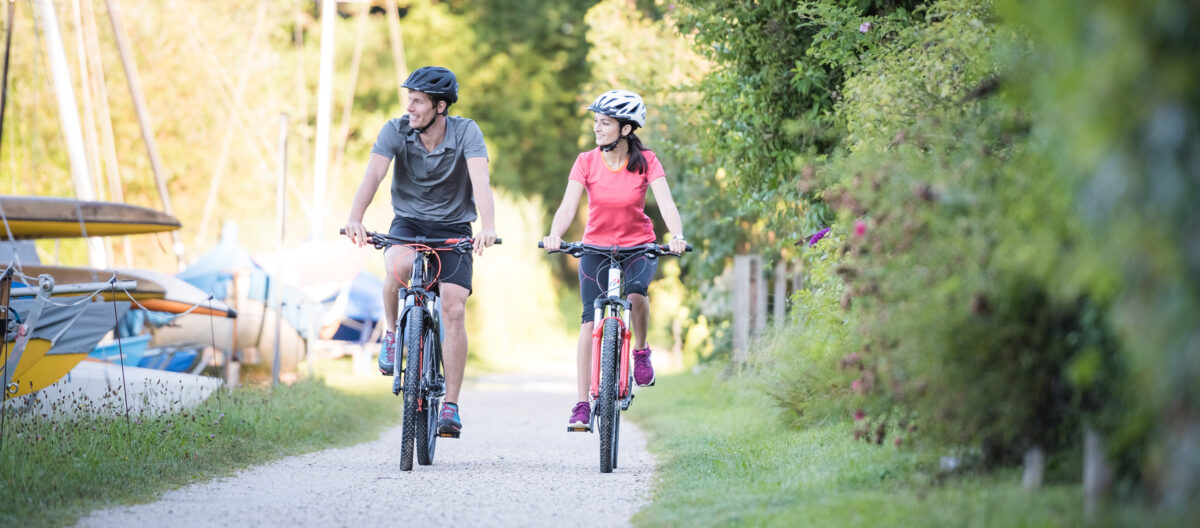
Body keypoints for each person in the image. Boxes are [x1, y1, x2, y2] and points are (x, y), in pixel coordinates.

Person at [344, 66, 497, 438]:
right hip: (409, 223)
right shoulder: (395, 130)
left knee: (454, 307)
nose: (409, 107)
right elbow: (373, 176)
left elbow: (481, 180)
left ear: (440, 107)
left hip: (454, 227)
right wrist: (355, 218)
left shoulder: (466, 132)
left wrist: (488, 226)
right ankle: (394, 335)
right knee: (399, 268)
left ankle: (451, 405)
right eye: (408, 99)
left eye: (418, 101)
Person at [541, 89, 688, 430]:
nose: (597, 128)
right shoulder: (586, 161)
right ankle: (580, 404)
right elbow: (567, 206)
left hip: (638, 246)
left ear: (626, 129)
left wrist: (676, 236)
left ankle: (640, 349)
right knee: (589, 321)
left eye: (605, 123)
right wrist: (555, 235)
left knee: (636, 294)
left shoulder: (647, 160)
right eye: (596, 122)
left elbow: (666, 203)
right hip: (595, 248)